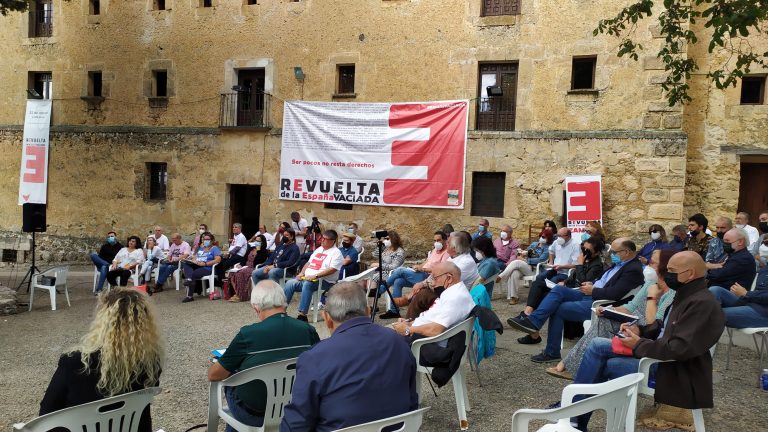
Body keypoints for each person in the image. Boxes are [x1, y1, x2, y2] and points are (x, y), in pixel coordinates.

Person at [568, 251, 725, 431]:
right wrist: (639, 330)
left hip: (673, 371)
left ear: (690, 274)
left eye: (672, 271)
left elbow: (679, 348)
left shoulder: (701, 303)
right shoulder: (686, 294)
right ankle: (575, 416)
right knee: (597, 345)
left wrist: (638, 344)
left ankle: (575, 417)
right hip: (662, 358)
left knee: (602, 364)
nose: (667, 275)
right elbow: (664, 327)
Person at [281, 282, 418, 431]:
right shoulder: (399, 342)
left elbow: (296, 424)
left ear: (326, 318)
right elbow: (411, 401)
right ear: (368, 311)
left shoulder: (314, 358)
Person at [39, 289, 163, 432]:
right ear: (146, 323)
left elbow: (46, 412)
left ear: (103, 320)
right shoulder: (151, 361)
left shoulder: (75, 361)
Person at [508, 238, 644, 362]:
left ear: (626, 252)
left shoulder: (633, 269)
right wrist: (593, 284)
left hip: (601, 303)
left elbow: (615, 294)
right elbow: (605, 281)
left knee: (559, 308)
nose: (611, 254)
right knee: (558, 290)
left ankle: (550, 349)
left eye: (614, 252)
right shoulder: (620, 264)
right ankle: (534, 322)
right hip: (591, 293)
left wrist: (594, 290)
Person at [547, 249, 676, 379]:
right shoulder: (650, 283)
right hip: (634, 320)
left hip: (646, 330)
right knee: (605, 319)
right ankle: (576, 365)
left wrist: (651, 298)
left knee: (603, 326)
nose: (648, 266)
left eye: (652, 263)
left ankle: (573, 365)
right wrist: (609, 310)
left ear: (665, 267)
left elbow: (653, 325)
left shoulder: (671, 293)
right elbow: (630, 306)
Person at [208, 281, 320, 431]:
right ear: (283, 302)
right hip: (296, 408)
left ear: (256, 307)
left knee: (231, 381)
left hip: (254, 415)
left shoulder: (247, 334)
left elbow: (214, 375)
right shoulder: (308, 330)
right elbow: (319, 366)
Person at [391, 262, 475, 338]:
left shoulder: (455, 298)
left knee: (383, 339)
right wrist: (409, 323)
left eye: (435, 278)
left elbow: (436, 330)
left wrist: (407, 329)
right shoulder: (452, 292)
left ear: (449, 278)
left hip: (423, 341)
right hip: (418, 333)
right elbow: (432, 317)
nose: (433, 283)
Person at [381, 231, 450, 319]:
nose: (436, 243)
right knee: (398, 281)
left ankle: (382, 288)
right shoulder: (435, 250)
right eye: (435, 240)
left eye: (439, 240)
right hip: (420, 273)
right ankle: (394, 311)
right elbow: (427, 262)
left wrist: (423, 269)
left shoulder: (446, 253)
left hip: (428, 277)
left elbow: (440, 270)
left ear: (445, 240)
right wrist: (418, 267)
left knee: (400, 270)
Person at [283, 230, 344, 321]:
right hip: (308, 279)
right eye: (322, 238)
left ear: (332, 241)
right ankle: (281, 311)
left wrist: (315, 276)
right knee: (290, 283)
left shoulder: (336, 253)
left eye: (325, 239)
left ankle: (302, 315)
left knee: (308, 284)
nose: (322, 240)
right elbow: (308, 263)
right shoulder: (319, 249)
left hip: (325, 282)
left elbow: (332, 269)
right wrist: (301, 273)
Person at [524, 227, 581, 315]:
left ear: (568, 236)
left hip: (566, 273)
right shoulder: (556, 242)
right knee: (538, 279)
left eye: (561, 236)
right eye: (557, 235)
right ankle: (528, 310)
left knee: (551, 284)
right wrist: (551, 261)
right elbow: (551, 250)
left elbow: (576, 265)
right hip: (554, 269)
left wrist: (562, 266)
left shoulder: (575, 245)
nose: (559, 238)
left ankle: (537, 310)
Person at [709, 246, 768, 328]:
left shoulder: (744, 258)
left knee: (713, 314)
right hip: (752, 302)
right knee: (715, 290)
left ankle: (694, 333)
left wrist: (746, 293)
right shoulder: (765, 269)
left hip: (763, 312)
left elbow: (718, 274)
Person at [497, 228, 555, 305]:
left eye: (544, 237)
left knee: (517, 262)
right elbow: (525, 253)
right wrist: (521, 253)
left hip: (535, 270)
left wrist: (527, 260)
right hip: (525, 266)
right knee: (514, 272)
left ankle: (502, 276)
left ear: (549, 238)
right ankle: (514, 297)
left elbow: (540, 260)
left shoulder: (548, 248)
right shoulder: (534, 244)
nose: (541, 238)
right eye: (541, 236)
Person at [181, 232, 222, 303]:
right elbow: (195, 257)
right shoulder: (201, 248)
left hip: (207, 268)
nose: (206, 241)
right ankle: (189, 279)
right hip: (197, 265)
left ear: (212, 240)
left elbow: (218, 259)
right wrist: (195, 261)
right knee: (185, 263)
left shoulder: (214, 249)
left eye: (208, 239)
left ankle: (189, 296)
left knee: (193, 274)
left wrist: (205, 263)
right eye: (204, 239)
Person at [228, 235, 271, 303]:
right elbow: (244, 258)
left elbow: (260, 262)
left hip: (254, 268)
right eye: (256, 240)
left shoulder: (264, 251)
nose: (256, 242)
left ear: (262, 242)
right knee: (232, 273)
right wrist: (241, 265)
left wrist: (257, 252)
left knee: (241, 273)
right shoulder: (251, 248)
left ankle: (241, 296)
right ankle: (237, 293)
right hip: (246, 266)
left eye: (258, 241)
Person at [369, 230, 405, 295]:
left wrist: (379, 265)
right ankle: (370, 295)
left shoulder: (399, 252)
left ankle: (373, 298)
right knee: (367, 276)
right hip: (381, 271)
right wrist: (380, 246)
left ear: (393, 239)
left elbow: (394, 266)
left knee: (373, 277)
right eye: (385, 238)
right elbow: (374, 255)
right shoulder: (386, 248)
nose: (385, 240)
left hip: (391, 273)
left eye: (387, 239)